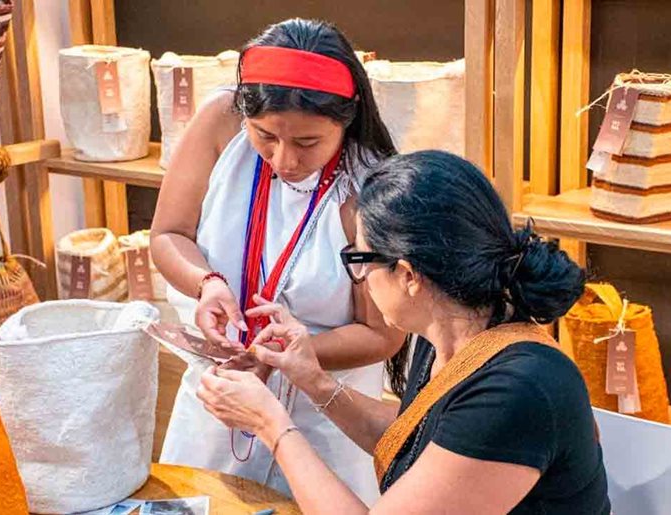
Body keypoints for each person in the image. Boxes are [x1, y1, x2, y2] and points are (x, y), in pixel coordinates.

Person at [197, 151, 612, 514]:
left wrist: (271, 425)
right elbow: (420, 440)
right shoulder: (453, 335)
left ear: (409, 276)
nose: (361, 278)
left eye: (361, 260)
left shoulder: (517, 390)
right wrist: (313, 381)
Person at [149, 18, 405, 503]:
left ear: (346, 120)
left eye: (308, 143)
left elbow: (383, 333)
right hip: (219, 394)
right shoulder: (219, 121)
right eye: (265, 135)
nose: (284, 160)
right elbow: (168, 234)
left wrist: (292, 356)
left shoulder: (368, 188)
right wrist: (207, 283)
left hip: (323, 416)